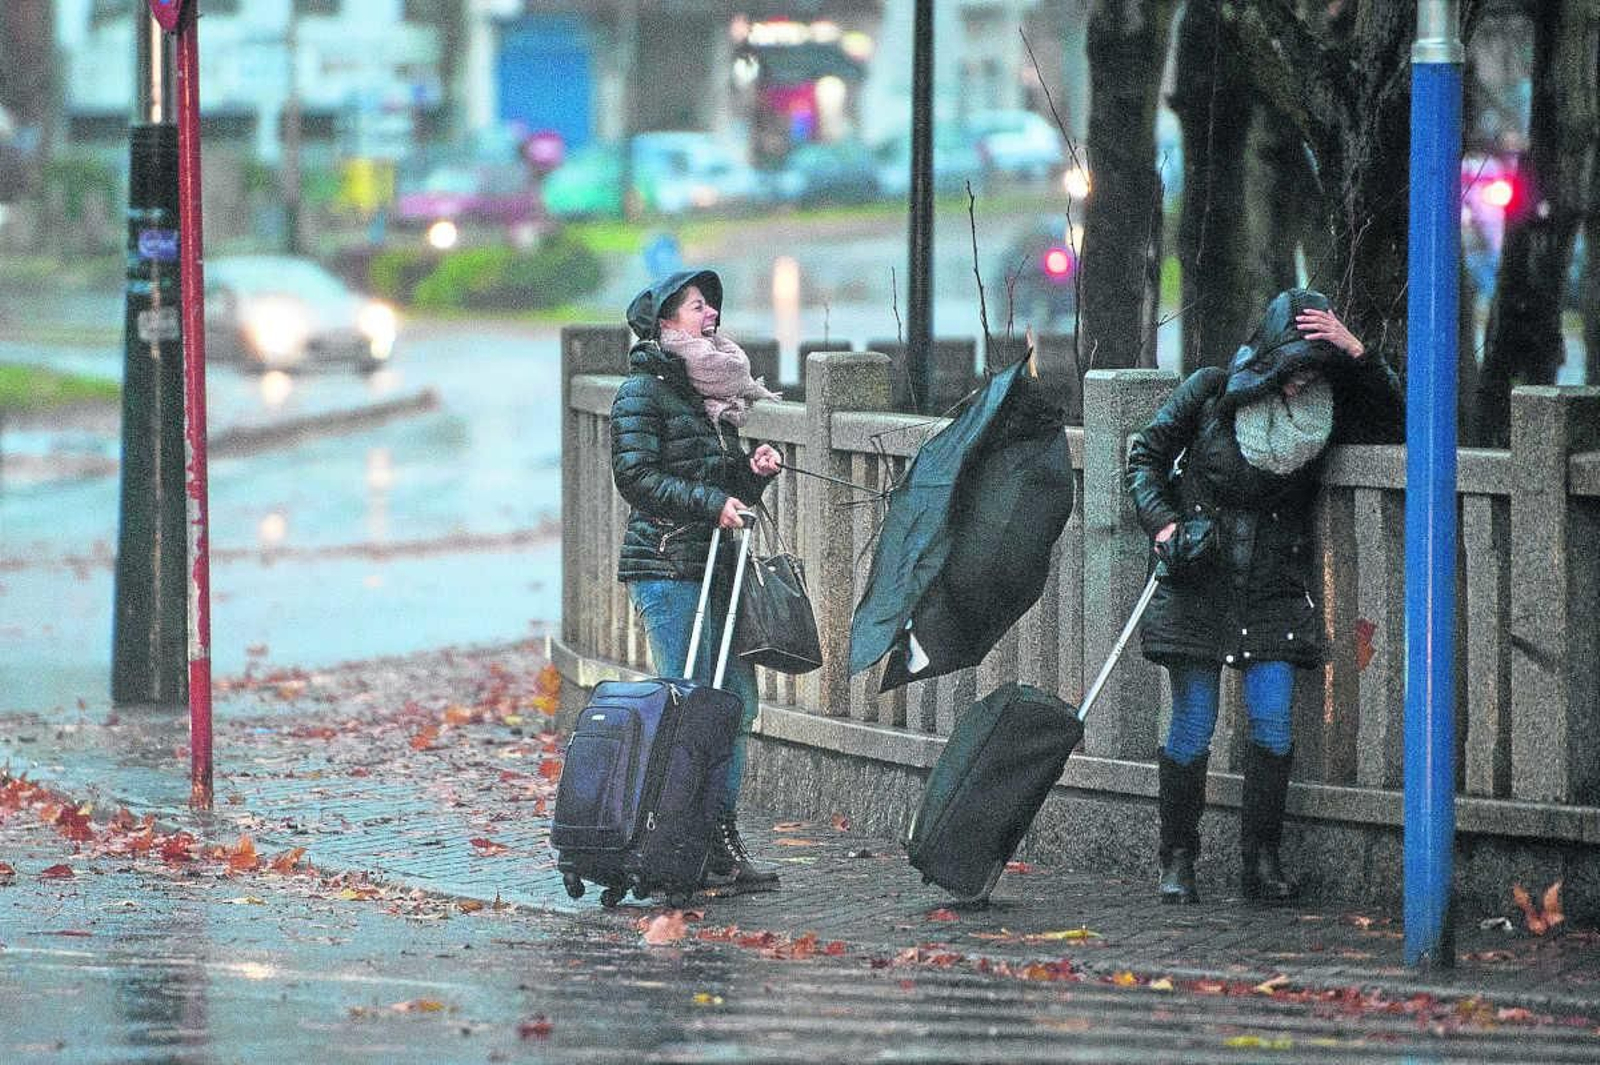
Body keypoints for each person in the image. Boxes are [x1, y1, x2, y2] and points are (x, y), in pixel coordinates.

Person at [1124, 288, 1403, 905]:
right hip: (1201, 578)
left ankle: (1262, 860)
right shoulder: (1212, 391)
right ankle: (1177, 859)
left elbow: (1397, 423)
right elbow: (1143, 456)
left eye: (1315, 365)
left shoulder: (1326, 412)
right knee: (1193, 724)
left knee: (1273, 726)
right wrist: (1165, 525)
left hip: (1275, 586)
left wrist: (1355, 351)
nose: (1304, 379)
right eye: (1295, 363)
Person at [610, 268, 784, 891]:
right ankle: (671, 843)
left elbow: (720, 483)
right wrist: (711, 505)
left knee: (736, 704)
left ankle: (718, 839)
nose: (709, 312)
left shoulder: (713, 395)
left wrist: (752, 475)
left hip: (716, 569)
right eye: (694, 306)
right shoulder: (643, 393)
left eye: (711, 304)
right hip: (668, 566)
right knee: (690, 709)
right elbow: (636, 478)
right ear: (663, 323)